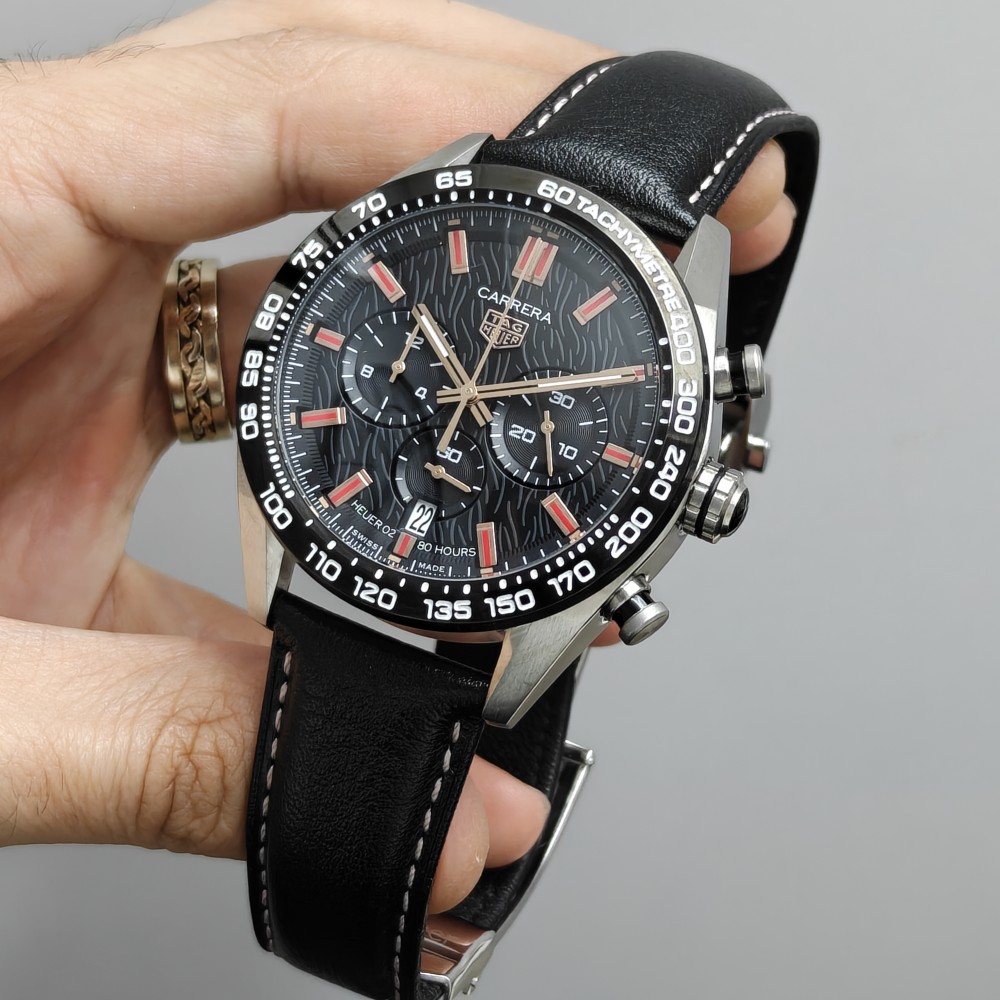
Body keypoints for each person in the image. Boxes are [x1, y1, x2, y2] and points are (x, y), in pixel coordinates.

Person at [0, 0, 797, 913]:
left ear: (699, 490)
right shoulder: (432, 208)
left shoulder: (683, 293)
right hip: (349, 530)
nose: (464, 401)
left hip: (460, 557)